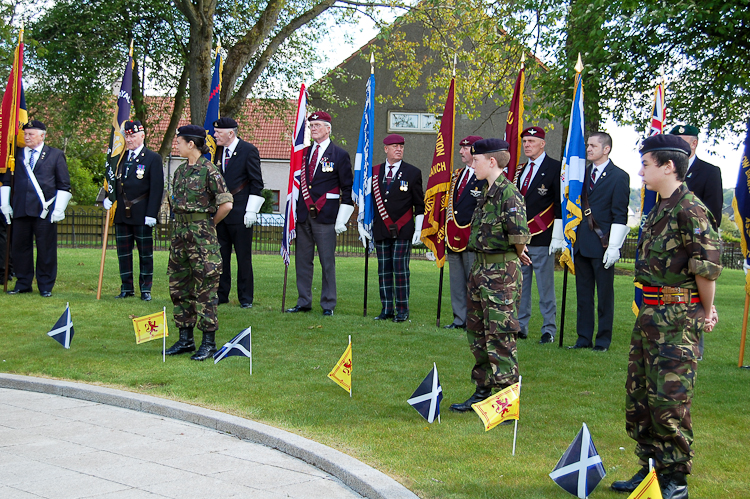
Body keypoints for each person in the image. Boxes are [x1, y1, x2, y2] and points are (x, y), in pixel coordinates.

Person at [611, 134, 721, 499]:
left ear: (668, 166)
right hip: (650, 315)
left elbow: (705, 271)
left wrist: (705, 310)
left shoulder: (691, 210)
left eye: (646, 164)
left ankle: (675, 480)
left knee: (669, 400)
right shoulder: (659, 208)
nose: (641, 171)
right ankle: (649, 469)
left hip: (677, 319)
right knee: (640, 396)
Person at [450, 138, 531, 413]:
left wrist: (516, 253)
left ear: (491, 161)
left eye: (476, 160)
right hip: (480, 270)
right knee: (478, 335)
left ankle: (506, 403)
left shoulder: (509, 194)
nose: (472, 165)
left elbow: (519, 236)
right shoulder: (486, 191)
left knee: (501, 335)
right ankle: (482, 391)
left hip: (500, 275)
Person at [164, 125, 233, 361]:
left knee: (205, 288)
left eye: (179, 141)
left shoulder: (210, 171)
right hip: (180, 235)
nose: (177, 145)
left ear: (191, 144)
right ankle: (185, 339)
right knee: (179, 286)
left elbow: (226, 204)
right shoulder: (180, 172)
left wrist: (209, 224)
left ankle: (208, 343)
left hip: (202, 238)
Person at [285, 111, 354, 316]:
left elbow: (347, 189)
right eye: (311, 125)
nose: (313, 128)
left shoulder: (339, 155)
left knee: (327, 262)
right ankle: (304, 301)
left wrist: (343, 217)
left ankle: (328, 304)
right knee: (302, 261)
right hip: (303, 215)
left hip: (326, 216)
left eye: (317, 125)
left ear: (328, 129)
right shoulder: (302, 153)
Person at [569, 132, 630, 352]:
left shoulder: (619, 176)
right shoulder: (582, 175)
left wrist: (614, 246)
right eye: (587, 145)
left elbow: (619, 213)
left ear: (606, 149)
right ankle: (583, 338)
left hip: (603, 245)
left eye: (593, 146)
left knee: (605, 296)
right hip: (582, 243)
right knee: (584, 295)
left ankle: (603, 340)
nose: (588, 149)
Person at [1, 120, 71, 297]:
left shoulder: (55, 155)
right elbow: (7, 181)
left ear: (42, 135)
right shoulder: (16, 156)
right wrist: (5, 204)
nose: (26, 137)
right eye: (25, 134)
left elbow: (64, 184)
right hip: (20, 209)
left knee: (46, 249)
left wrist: (59, 209)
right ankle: (23, 283)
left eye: (31, 134)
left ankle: (45, 285)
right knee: (20, 248)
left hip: (44, 211)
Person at [103, 120, 164, 301]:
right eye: (127, 136)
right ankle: (126, 288)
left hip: (142, 213)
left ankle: (145, 289)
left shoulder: (152, 158)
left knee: (145, 254)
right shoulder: (119, 157)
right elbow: (112, 181)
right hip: (122, 212)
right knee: (123, 254)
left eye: (132, 136)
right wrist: (108, 197)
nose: (129, 139)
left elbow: (156, 188)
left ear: (142, 136)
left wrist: (152, 213)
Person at [515, 126, 564, 343]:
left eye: (531, 141)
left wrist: (558, 236)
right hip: (521, 239)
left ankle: (548, 329)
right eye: (525, 142)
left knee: (545, 286)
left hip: (543, 236)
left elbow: (559, 204)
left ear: (542, 144)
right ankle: (521, 325)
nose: (527, 145)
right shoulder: (520, 170)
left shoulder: (555, 168)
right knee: (521, 286)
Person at [369, 134, 424, 323]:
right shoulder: (375, 171)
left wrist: (419, 229)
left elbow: (419, 204)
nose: (399, 149)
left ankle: (402, 310)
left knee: (400, 271)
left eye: (401, 146)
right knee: (384, 270)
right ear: (386, 149)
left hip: (403, 229)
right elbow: (369, 201)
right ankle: (387, 309)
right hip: (381, 229)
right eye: (394, 146)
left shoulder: (412, 173)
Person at [212, 117, 264, 309]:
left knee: (243, 257)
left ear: (230, 133)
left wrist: (251, 210)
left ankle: (245, 298)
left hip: (241, 211)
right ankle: (221, 294)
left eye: (218, 133)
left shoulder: (248, 150)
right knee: (221, 256)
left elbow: (256, 182)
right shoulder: (217, 151)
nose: (215, 135)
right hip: (222, 212)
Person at [444, 135, 485, 330]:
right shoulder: (456, 175)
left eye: (465, 148)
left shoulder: (484, 176)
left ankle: (474, 320)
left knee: (473, 281)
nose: (461, 152)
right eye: (461, 148)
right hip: (454, 237)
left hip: (472, 238)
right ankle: (459, 318)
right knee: (456, 281)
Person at [668, 124, 723, 229]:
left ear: (694, 144)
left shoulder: (710, 172)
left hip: (694, 238)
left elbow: (713, 215)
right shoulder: (665, 170)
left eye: (681, 142)